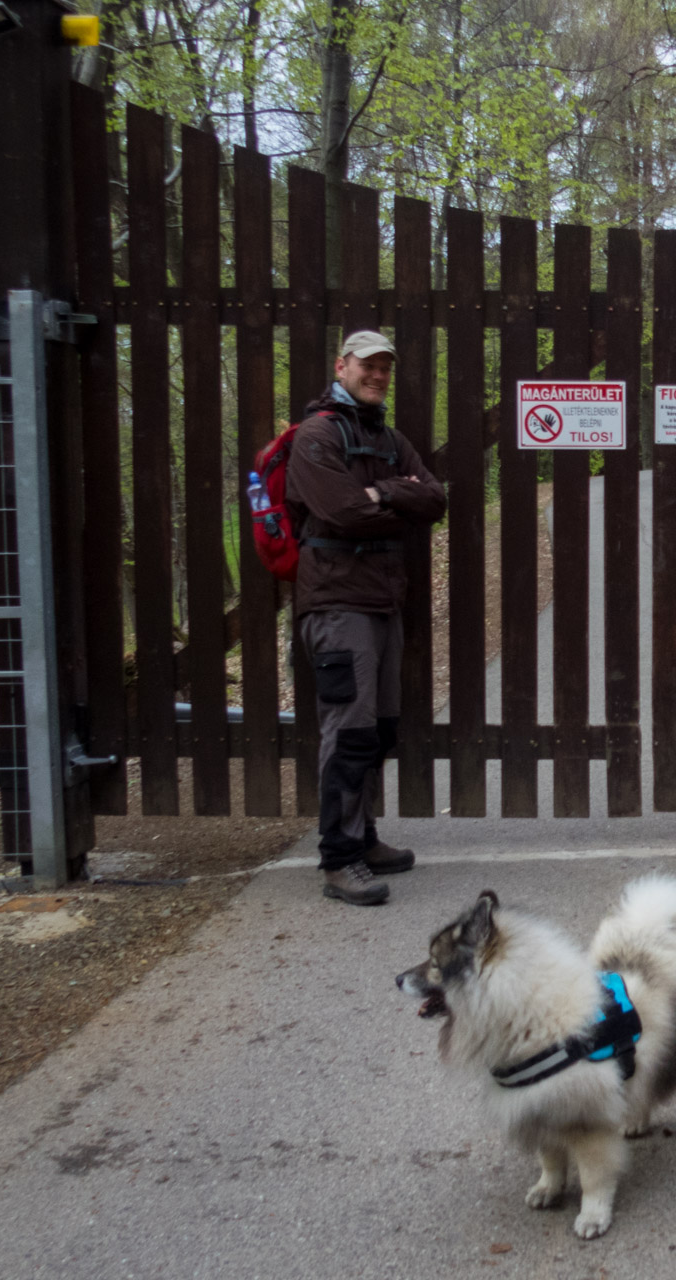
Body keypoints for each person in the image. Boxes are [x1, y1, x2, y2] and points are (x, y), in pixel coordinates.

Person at [286, 330, 446, 905]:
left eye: (385, 368)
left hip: (381, 602)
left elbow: (433, 500)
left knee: (377, 730)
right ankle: (339, 859)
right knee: (349, 732)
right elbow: (343, 511)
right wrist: (388, 497)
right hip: (335, 604)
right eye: (367, 366)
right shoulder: (316, 436)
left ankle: (364, 836)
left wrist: (383, 495)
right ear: (342, 366)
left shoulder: (388, 437)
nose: (377, 375)